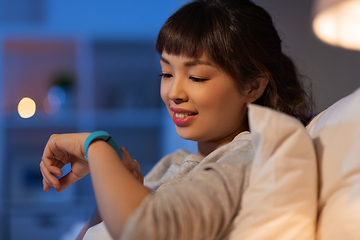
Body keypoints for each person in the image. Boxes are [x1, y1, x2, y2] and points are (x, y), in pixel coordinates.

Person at [40, 0, 313, 239]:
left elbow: (144, 230)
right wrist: (114, 179)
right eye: (166, 73)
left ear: (253, 86)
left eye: (197, 77)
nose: (174, 93)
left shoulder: (250, 156)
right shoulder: (173, 163)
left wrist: (97, 146)